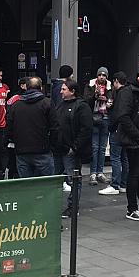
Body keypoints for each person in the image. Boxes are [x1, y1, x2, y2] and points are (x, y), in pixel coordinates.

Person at [110, 63, 139, 220]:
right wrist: (138, 136)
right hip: (135, 138)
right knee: (135, 173)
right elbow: (123, 116)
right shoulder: (129, 92)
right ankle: (132, 208)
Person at [7, 76, 59, 177]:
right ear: (41, 88)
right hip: (42, 150)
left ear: (27, 87)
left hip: (22, 151)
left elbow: (9, 128)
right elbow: (55, 127)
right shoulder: (47, 103)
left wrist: (11, 143)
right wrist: (52, 145)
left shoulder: (16, 105)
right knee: (46, 185)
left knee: (27, 186)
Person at [56, 79, 92, 217]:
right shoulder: (60, 105)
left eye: (64, 89)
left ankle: (73, 206)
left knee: (74, 178)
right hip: (58, 148)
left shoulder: (81, 106)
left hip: (71, 149)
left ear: (73, 91)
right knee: (57, 178)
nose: (61, 92)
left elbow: (86, 129)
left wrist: (75, 147)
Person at [99, 72, 129, 196]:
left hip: (117, 128)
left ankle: (115, 184)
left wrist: (110, 109)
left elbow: (116, 111)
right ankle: (123, 184)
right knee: (124, 157)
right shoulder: (129, 92)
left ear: (116, 81)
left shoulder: (118, 93)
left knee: (115, 157)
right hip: (125, 129)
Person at [85, 67, 112, 184]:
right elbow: (86, 101)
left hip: (105, 117)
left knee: (102, 148)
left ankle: (100, 172)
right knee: (95, 147)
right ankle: (93, 173)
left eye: (104, 75)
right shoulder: (90, 85)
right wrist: (95, 96)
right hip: (94, 117)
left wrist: (108, 99)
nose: (102, 77)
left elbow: (113, 99)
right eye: (100, 75)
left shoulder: (110, 87)